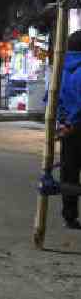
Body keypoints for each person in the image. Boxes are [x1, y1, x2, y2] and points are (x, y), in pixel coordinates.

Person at [55, 30, 81, 229]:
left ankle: (69, 216)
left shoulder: (59, 69)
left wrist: (63, 122)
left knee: (69, 171)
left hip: (66, 129)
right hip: (77, 124)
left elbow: (50, 99)